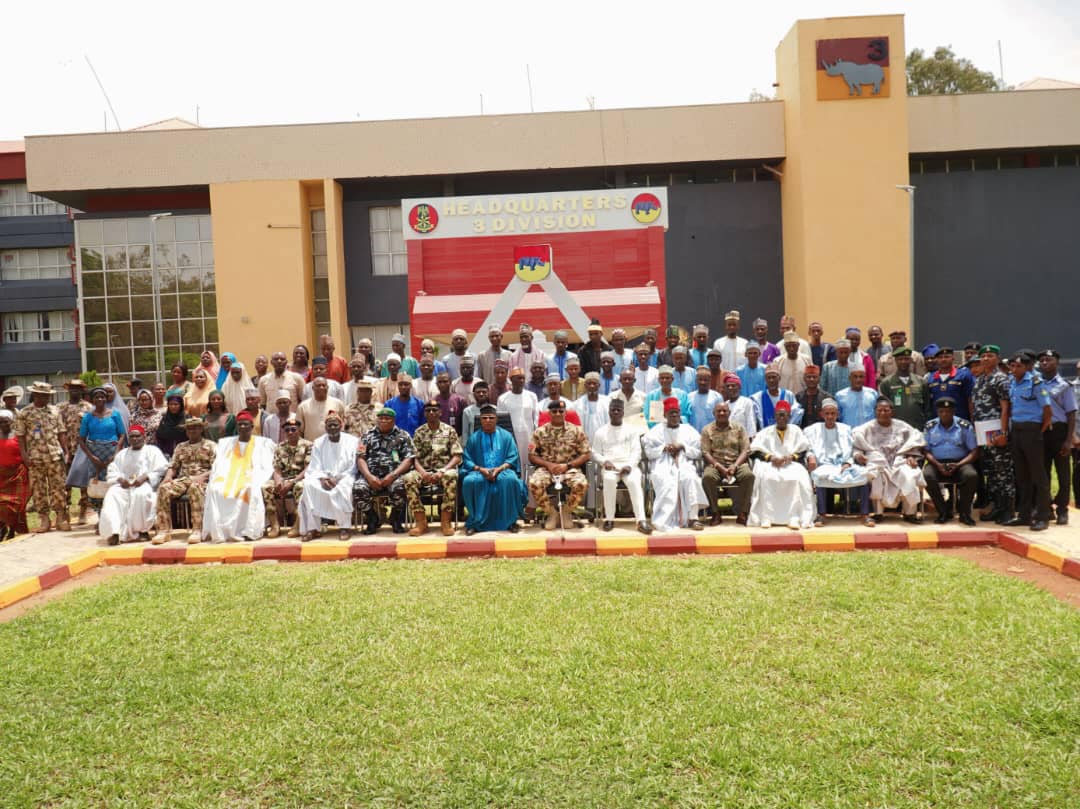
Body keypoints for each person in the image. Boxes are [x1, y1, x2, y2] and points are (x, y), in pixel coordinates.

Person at [202, 412, 276, 542]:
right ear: (236, 426)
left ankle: (248, 529)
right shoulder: (226, 443)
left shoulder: (263, 443)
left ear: (252, 426)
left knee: (250, 488)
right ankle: (221, 531)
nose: (242, 427)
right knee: (214, 489)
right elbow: (219, 464)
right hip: (228, 476)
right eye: (240, 424)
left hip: (253, 475)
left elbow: (266, 466)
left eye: (245, 424)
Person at [852, 399, 926, 523]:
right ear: (875, 412)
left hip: (900, 461)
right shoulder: (866, 428)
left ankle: (910, 513)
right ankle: (878, 513)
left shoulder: (902, 426)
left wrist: (911, 455)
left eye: (886, 410)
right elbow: (857, 446)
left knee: (910, 475)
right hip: (878, 462)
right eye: (879, 410)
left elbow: (915, 441)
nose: (883, 413)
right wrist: (858, 455)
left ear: (892, 412)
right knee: (875, 475)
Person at [1002, 352, 1052, 531]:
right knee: (1022, 475)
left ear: (1027, 367)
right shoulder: (1012, 382)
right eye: (1012, 366)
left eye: (1019, 366)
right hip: (1016, 429)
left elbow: (1047, 409)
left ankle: (1043, 516)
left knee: (1038, 474)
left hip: (1032, 429)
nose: (1014, 369)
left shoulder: (1035, 382)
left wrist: (1040, 429)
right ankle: (1024, 515)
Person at [746, 400, 815, 530]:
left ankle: (794, 517)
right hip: (770, 464)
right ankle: (767, 517)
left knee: (796, 479)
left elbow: (804, 449)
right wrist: (770, 457)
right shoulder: (765, 432)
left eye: (784, 415)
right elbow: (754, 451)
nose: (782, 418)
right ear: (775, 416)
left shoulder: (796, 430)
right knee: (767, 479)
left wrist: (791, 457)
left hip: (791, 464)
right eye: (779, 415)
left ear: (789, 416)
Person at [804, 399, 872, 527]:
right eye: (827, 413)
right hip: (824, 465)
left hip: (844, 465)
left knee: (864, 477)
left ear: (837, 414)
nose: (830, 417)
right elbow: (809, 449)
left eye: (833, 413)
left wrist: (848, 463)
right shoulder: (813, 430)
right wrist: (810, 457)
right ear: (822, 414)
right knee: (820, 476)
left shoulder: (845, 429)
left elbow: (851, 449)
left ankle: (865, 515)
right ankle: (822, 515)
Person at [643, 397, 707, 531]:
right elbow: (649, 453)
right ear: (664, 415)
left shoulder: (689, 430)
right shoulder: (656, 431)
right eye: (670, 413)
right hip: (663, 465)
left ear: (680, 414)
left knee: (691, 478)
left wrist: (683, 446)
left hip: (684, 464)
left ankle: (693, 518)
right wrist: (663, 448)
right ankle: (665, 519)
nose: (674, 415)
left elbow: (698, 452)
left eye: (676, 413)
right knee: (666, 481)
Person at [460, 404, 526, 535]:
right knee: (469, 482)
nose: (488, 420)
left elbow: (512, 457)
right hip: (479, 471)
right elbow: (467, 459)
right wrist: (480, 469)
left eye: (491, 417)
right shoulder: (474, 438)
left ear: (496, 419)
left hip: (503, 470)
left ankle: (510, 522)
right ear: (480, 420)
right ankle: (475, 522)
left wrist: (499, 469)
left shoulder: (506, 436)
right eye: (484, 418)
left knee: (511, 480)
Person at [98, 425, 168, 545]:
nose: (135, 439)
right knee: (112, 495)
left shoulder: (152, 451)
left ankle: (142, 531)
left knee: (141, 495)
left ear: (143, 437)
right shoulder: (122, 454)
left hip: (144, 484)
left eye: (137, 436)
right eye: (132, 437)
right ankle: (114, 532)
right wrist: (120, 479)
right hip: (124, 485)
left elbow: (162, 468)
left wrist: (145, 477)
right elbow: (113, 470)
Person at [528, 400, 591, 530]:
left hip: (569, 468)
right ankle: (551, 513)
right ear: (549, 413)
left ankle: (566, 512)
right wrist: (548, 464)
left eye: (561, 411)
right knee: (534, 483)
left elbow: (586, 454)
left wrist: (567, 466)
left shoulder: (576, 431)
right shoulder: (539, 432)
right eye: (554, 411)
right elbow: (532, 455)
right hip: (547, 468)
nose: (557, 414)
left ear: (565, 413)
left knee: (581, 484)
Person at [592, 398, 652, 533]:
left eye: (618, 410)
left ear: (623, 412)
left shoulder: (632, 430)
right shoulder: (601, 431)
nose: (615, 412)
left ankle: (641, 521)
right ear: (609, 412)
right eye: (613, 410)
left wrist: (629, 465)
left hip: (629, 466)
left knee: (634, 482)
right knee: (608, 480)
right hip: (610, 467)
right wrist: (604, 461)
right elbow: (595, 452)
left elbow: (637, 451)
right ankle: (609, 519)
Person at [403, 401, 462, 536]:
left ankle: (445, 521)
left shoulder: (449, 430)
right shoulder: (419, 432)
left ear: (440, 412)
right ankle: (421, 522)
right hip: (424, 471)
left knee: (452, 476)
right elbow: (414, 457)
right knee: (408, 478)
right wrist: (423, 473)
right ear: (424, 413)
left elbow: (457, 456)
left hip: (443, 470)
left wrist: (443, 471)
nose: (431, 413)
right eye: (428, 410)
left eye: (434, 410)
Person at [153, 419, 217, 544]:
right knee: (164, 489)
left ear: (201, 429)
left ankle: (197, 530)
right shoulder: (180, 446)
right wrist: (168, 477)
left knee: (195, 488)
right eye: (189, 428)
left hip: (203, 480)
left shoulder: (211, 446)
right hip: (184, 479)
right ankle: (163, 531)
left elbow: (217, 468)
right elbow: (173, 466)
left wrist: (202, 476)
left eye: (195, 428)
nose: (192, 430)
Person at [66, 386, 125, 520]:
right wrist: (91, 457)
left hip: (111, 452)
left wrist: (115, 454)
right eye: (97, 397)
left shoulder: (115, 414)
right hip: (94, 453)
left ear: (106, 399)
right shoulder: (88, 417)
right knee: (96, 484)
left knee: (111, 482)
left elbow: (121, 435)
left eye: (102, 397)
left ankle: (112, 516)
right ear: (92, 400)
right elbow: (81, 439)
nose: (100, 399)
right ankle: (100, 517)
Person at [971, 344, 1014, 523]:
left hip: (997, 430)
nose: (986, 359)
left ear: (997, 358)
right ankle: (997, 507)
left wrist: (1003, 433)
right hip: (983, 431)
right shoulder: (980, 379)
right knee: (992, 471)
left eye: (990, 355)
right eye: (983, 356)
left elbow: (1006, 408)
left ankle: (1008, 510)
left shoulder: (1001, 379)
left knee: (1003, 471)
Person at [297, 412, 357, 541]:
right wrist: (322, 478)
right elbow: (315, 465)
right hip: (323, 477)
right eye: (330, 425)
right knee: (309, 485)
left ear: (341, 426)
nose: (333, 428)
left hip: (345, 476)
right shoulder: (319, 442)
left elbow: (353, 466)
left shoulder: (352, 441)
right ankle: (313, 529)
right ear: (325, 427)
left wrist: (337, 478)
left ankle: (344, 527)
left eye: (335, 425)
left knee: (344, 488)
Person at [355, 407, 415, 534]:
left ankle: (395, 517)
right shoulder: (367, 435)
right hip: (371, 476)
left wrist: (393, 475)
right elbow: (360, 458)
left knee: (401, 486)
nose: (383, 421)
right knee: (358, 487)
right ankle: (372, 517)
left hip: (394, 476)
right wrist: (369, 476)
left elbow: (409, 459)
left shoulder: (403, 435)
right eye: (381, 418)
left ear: (393, 420)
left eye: (387, 418)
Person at [922, 397, 980, 526]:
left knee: (971, 475)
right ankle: (943, 511)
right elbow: (925, 451)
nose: (944, 414)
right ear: (937, 412)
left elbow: (974, 451)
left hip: (961, 462)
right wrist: (938, 465)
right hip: (937, 462)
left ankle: (965, 513)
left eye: (948, 411)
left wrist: (959, 464)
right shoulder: (930, 426)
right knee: (927, 476)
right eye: (941, 411)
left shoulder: (964, 426)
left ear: (954, 412)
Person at [1036, 349, 1076, 525]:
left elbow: (1071, 413)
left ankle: (1062, 509)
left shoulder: (1064, 385)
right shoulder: (1036, 383)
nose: (1045, 363)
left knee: (1063, 474)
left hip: (1059, 431)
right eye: (1042, 360)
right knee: (1043, 473)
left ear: (1057, 363)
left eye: (1049, 360)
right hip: (1041, 431)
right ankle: (1046, 509)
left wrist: (1068, 440)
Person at [700, 400, 754, 525]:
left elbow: (746, 450)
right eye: (719, 411)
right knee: (707, 477)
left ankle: (743, 513)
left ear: (729, 413)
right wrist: (720, 467)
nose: (722, 413)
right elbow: (705, 452)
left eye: (724, 411)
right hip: (715, 464)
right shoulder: (707, 430)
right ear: (714, 413)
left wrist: (735, 466)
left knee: (749, 476)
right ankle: (715, 513)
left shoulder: (739, 428)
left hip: (737, 463)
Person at [262, 415, 312, 538]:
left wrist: (292, 482)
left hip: (300, 478)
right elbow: (277, 469)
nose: (290, 432)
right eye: (287, 430)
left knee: (301, 487)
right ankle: (274, 525)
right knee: (266, 487)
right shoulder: (280, 447)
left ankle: (298, 524)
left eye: (293, 429)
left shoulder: (308, 445)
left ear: (299, 430)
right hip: (284, 479)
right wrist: (278, 482)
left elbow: (308, 469)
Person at [498, 368, 540, 488]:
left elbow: (536, 417)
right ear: (511, 380)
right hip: (511, 436)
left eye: (523, 378)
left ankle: (528, 490)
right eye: (518, 378)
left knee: (528, 462)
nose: (521, 381)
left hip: (528, 436)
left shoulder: (531, 396)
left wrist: (535, 437)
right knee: (513, 462)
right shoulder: (503, 398)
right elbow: (501, 421)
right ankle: (515, 489)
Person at [59, 379, 93, 523]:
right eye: (72, 388)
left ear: (82, 390)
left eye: (77, 388)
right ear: (68, 390)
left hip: (82, 449)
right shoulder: (60, 407)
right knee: (65, 481)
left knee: (84, 481)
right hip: (65, 448)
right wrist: (64, 449)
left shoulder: (88, 407)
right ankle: (65, 512)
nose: (74, 390)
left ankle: (83, 511)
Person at [876, 347, 931, 429]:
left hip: (917, 427)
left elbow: (927, 407)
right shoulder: (886, 383)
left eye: (906, 359)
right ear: (895, 361)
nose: (903, 362)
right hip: (895, 428)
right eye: (900, 359)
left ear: (911, 361)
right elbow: (883, 408)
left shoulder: (921, 381)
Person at [0, 409, 29, 539]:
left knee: (17, 505)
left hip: (17, 474)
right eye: (0, 422)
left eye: (6, 422)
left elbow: (25, 452)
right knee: (2, 503)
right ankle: (2, 528)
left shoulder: (19, 436)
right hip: (1, 475)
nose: (3, 424)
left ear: (11, 421)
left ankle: (12, 530)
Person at [927, 347, 975, 421]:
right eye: (940, 357)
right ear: (936, 360)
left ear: (953, 358)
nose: (943, 359)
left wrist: (972, 419)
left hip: (960, 420)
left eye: (947, 357)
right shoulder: (931, 377)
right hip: (937, 421)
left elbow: (970, 399)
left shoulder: (964, 375)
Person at [296, 377, 345, 441]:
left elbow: (343, 426)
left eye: (323, 385)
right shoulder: (303, 406)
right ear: (313, 388)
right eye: (318, 385)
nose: (321, 387)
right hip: (310, 444)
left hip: (333, 443)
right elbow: (299, 430)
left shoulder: (338, 404)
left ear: (327, 387)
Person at [572, 372, 610, 442]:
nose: (592, 386)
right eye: (589, 384)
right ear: (585, 385)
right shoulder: (577, 404)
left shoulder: (607, 402)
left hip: (603, 441)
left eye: (594, 383)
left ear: (599, 385)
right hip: (584, 442)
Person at [721, 373, 758, 439]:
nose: (730, 388)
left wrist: (750, 440)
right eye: (728, 386)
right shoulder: (725, 405)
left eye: (733, 386)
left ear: (739, 387)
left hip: (743, 440)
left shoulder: (746, 402)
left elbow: (751, 424)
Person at [688, 366, 722, 432]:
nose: (702, 382)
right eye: (700, 379)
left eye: (705, 380)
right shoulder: (689, 397)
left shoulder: (717, 397)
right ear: (696, 381)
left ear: (710, 380)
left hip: (711, 434)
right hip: (693, 434)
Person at [155, 391, 188, 458]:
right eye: (171, 404)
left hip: (184, 453)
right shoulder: (164, 420)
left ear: (181, 405)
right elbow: (159, 437)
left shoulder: (186, 419)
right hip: (167, 454)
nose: (173, 406)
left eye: (176, 404)